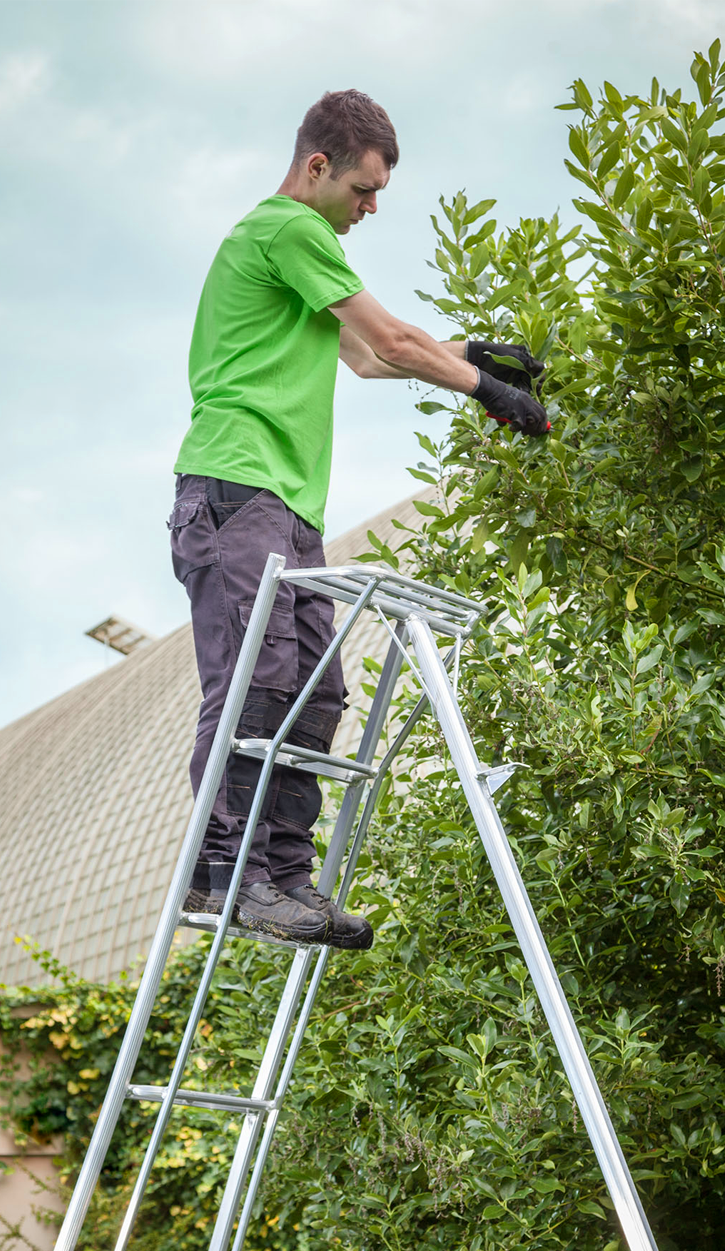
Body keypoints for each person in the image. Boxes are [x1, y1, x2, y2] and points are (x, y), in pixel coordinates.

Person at [169, 89, 548, 949]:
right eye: (365, 190)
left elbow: (374, 357)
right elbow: (389, 338)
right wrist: (488, 393)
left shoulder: (298, 253)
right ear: (317, 168)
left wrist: (468, 353)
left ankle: (286, 883)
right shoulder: (286, 228)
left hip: (287, 506)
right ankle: (225, 873)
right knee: (256, 682)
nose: (371, 208)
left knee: (316, 689)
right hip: (235, 489)